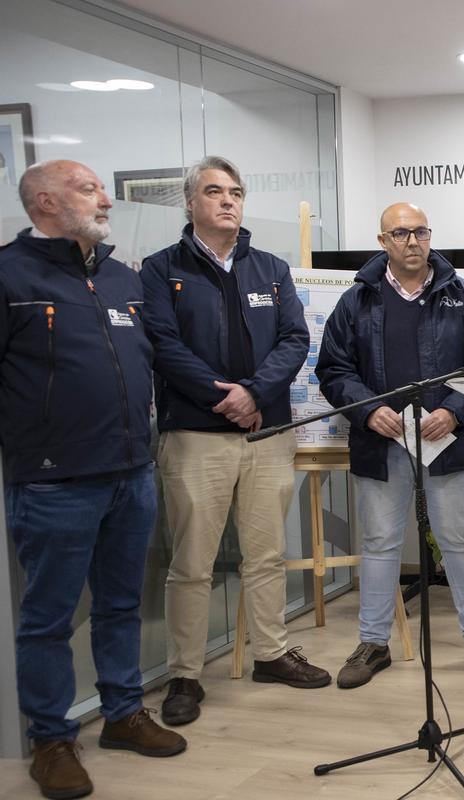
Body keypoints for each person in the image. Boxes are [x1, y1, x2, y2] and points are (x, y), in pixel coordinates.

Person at [2, 160, 185, 799]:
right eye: (89, 189)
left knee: (120, 603)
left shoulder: (119, 277)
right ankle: (50, 740)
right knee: (49, 617)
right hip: (53, 482)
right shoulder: (9, 276)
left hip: (131, 471)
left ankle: (123, 713)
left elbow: (148, 361)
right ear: (45, 201)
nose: (105, 199)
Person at [140, 156, 330, 727]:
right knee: (192, 562)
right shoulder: (160, 269)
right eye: (215, 192)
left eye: (236, 192)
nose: (228, 201)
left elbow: (295, 339)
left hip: (265, 431)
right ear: (190, 203)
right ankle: (185, 674)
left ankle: (270, 653)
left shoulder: (269, 268)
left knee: (266, 552)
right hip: (197, 434)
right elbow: (162, 344)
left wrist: (253, 392)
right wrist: (220, 396)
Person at [316, 202, 464, 687]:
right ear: (382, 242)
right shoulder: (356, 301)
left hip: (446, 440)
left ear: (430, 237)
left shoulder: (463, 296)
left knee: (459, 540)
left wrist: (454, 411)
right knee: (380, 542)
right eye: (400, 233)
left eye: (420, 231)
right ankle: (373, 643)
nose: (412, 241)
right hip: (382, 442)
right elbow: (334, 369)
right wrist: (366, 409)